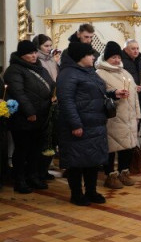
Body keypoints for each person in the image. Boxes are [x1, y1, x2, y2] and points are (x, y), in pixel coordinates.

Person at [57, 42, 126, 206]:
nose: (93, 57)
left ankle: (91, 191)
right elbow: (66, 101)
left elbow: (97, 93)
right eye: (90, 54)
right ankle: (76, 194)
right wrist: (75, 124)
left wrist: (113, 93)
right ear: (80, 57)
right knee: (76, 162)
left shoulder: (89, 72)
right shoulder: (68, 74)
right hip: (80, 125)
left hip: (95, 124)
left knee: (92, 161)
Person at [4, 40, 56, 193]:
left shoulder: (40, 68)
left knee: (36, 149)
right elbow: (18, 93)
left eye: (34, 52)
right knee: (22, 150)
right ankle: (19, 180)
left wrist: (54, 95)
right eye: (29, 53)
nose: (34, 56)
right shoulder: (14, 70)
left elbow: (51, 85)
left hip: (42, 116)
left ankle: (33, 176)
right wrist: (30, 112)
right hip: (23, 118)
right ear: (21, 55)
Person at [96, 42, 141, 189]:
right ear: (106, 58)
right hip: (112, 117)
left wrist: (137, 114)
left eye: (118, 57)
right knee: (111, 146)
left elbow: (135, 97)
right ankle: (110, 175)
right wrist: (115, 94)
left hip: (129, 117)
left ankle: (124, 172)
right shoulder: (100, 73)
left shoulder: (125, 73)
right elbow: (98, 95)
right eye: (113, 57)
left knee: (127, 146)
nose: (116, 60)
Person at [121, 39, 141, 149]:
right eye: (133, 49)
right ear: (125, 49)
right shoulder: (121, 62)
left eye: (137, 48)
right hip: (126, 99)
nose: (136, 51)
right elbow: (121, 81)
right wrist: (132, 88)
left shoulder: (140, 61)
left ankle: (136, 152)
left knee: (137, 127)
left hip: (139, 99)